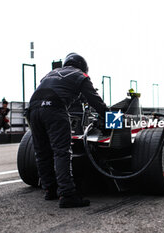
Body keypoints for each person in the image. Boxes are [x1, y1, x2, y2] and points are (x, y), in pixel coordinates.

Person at [28, 53, 108, 208]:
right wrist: (112, 118)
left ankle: (50, 189)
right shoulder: (80, 75)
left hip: (33, 109)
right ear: (83, 66)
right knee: (61, 152)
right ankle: (67, 194)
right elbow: (95, 100)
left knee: (42, 152)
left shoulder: (50, 74)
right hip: (54, 108)